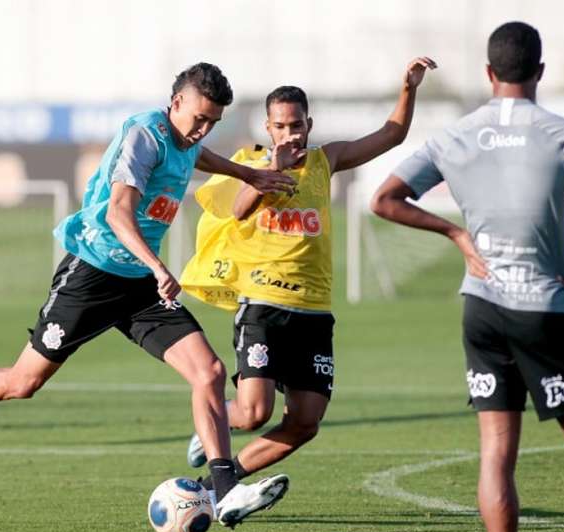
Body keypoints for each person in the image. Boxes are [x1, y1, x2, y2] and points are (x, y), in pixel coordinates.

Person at [0, 62, 297, 528]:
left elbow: (196, 155)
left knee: (210, 371)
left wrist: (248, 175)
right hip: (93, 276)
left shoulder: (186, 138)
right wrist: (158, 266)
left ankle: (224, 492)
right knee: (24, 382)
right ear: (176, 102)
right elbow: (120, 214)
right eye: (199, 118)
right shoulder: (144, 135)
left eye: (212, 123)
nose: (203, 129)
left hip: (140, 287)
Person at [370, 22, 564, 532]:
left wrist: (455, 234)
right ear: (540, 71)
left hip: (483, 309)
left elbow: (384, 199)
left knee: (496, 451)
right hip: (545, 305)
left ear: (489, 73)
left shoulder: (454, 135)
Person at [178, 57, 437, 492]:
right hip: (263, 305)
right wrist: (273, 169)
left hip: (313, 312)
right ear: (268, 127)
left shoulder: (325, 161)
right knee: (255, 412)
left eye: (296, 125)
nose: (290, 134)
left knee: (305, 423)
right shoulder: (250, 162)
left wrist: (408, 88)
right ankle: (214, 425)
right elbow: (239, 210)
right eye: (280, 126)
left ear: (309, 124)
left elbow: (391, 135)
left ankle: (224, 478)